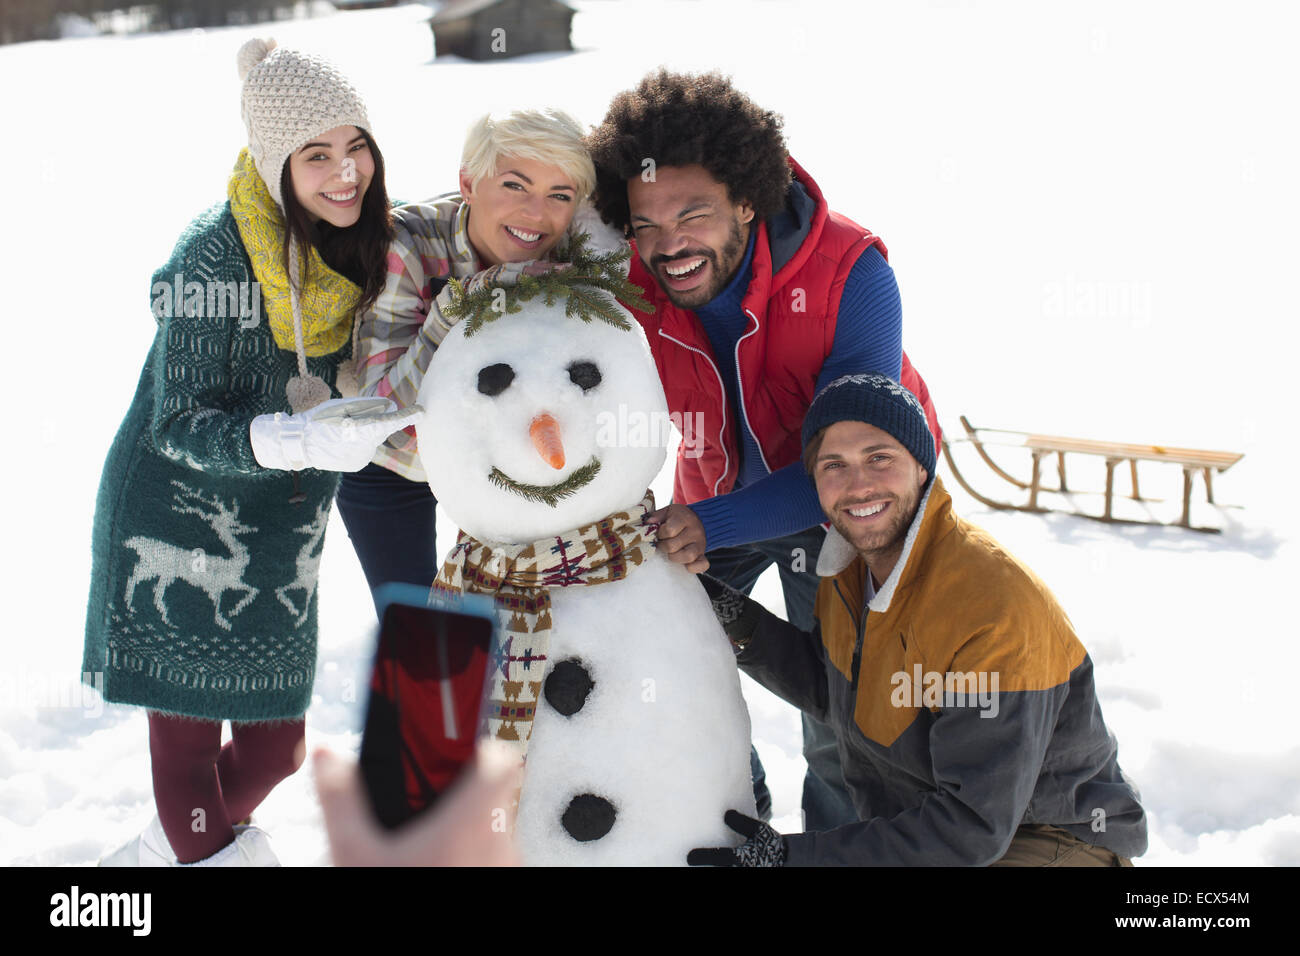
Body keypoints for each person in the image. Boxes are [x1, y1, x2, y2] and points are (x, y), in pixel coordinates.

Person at [85, 38, 419, 867]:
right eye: (316, 156)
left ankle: (153, 861)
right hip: (173, 513)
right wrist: (290, 435)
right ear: (276, 165)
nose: (346, 173)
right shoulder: (213, 255)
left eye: (356, 147)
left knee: (278, 752)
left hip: (278, 531)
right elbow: (177, 424)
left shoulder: (365, 239)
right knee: (189, 757)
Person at [585, 69, 939, 829]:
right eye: (645, 224)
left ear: (748, 198)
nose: (669, 243)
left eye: (695, 214)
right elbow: (515, 224)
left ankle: (832, 849)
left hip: (858, 509)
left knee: (840, 718)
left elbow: (853, 466)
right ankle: (729, 813)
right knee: (658, 655)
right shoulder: (634, 284)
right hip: (718, 499)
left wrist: (710, 525)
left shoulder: (852, 274)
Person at [688, 372, 1147, 866]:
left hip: (1050, 838)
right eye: (833, 466)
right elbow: (838, 692)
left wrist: (791, 858)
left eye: (879, 458)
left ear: (921, 468)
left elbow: (972, 827)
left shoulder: (990, 605)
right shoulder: (847, 574)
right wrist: (734, 618)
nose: (859, 485)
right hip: (941, 829)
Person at [341, 108, 596, 608]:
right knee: (416, 635)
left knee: (524, 626)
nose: (535, 213)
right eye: (515, 186)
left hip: (508, 453)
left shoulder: (575, 253)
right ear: (468, 183)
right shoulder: (407, 242)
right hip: (392, 467)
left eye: (559, 195)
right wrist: (456, 308)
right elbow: (384, 425)